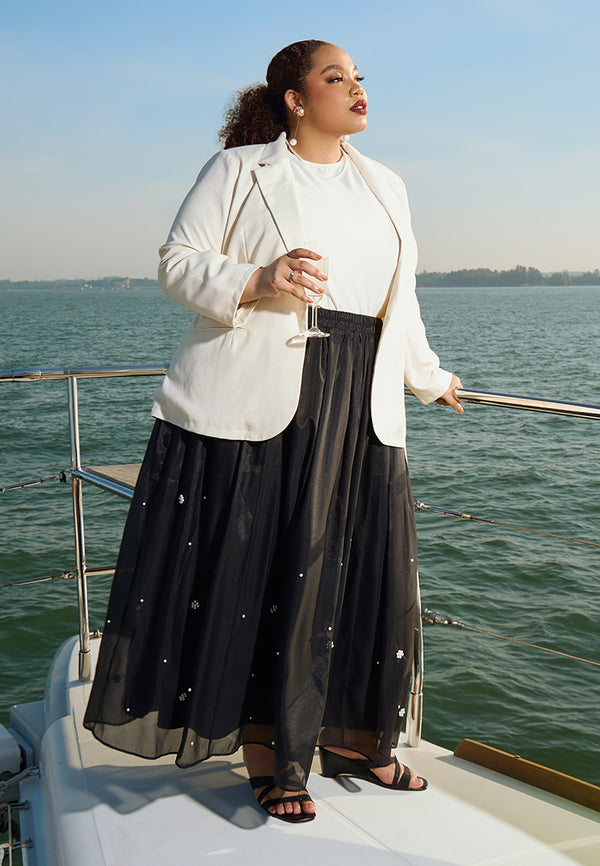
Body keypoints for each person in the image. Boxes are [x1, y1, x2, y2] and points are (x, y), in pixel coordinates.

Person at [84, 39, 463, 825]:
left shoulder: (386, 184)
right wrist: (258, 279)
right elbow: (177, 262)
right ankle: (270, 754)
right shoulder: (239, 170)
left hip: (361, 395)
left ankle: (359, 739)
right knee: (268, 571)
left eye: (359, 77)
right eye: (336, 77)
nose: (356, 88)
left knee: (364, 575)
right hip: (268, 387)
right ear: (296, 98)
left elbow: (401, 302)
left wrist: (428, 377)